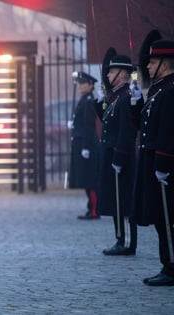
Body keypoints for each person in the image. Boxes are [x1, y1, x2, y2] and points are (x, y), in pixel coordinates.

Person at [132, 35, 174, 286]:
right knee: (160, 217)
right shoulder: (159, 89)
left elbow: (168, 132)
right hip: (153, 162)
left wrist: (163, 165)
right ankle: (167, 263)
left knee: (167, 217)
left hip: (164, 165)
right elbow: (143, 125)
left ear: (165, 63)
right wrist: (136, 105)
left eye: (152, 61)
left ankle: (171, 267)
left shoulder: (169, 91)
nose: (147, 66)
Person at [93, 50, 138, 256]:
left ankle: (126, 242)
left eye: (112, 72)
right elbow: (108, 122)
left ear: (122, 73)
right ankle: (119, 238)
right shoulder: (116, 97)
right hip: (112, 155)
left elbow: (126, 131)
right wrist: (100, 102)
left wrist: (120, 157)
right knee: (115, 199)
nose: (108, 76)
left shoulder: (126, 97)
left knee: (123, 201)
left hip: (120, 156)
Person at [69, 71, 100, 220]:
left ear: (91, 85)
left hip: (86, 143)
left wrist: (86, 147)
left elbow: (89, 126)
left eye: (84, 84)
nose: (81, 86)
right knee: (85, 178)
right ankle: (91, 208)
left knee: (89, 178)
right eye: (80, 84)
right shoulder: (84, 99)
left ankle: (94, 209)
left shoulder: (88, 101)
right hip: (80, 141)